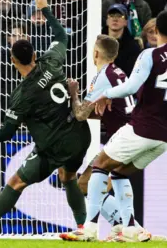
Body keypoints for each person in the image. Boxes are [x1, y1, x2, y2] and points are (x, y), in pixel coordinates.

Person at [0, 0, 90, 239]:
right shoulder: (52, 61)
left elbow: (5, 133)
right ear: (35, 54)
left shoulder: (22, 96)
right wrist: (45, 9)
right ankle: (84, 229)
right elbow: (62, 35)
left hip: (53, 145)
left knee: (15, 182)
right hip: (79, 135)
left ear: (13, 61)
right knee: (68, 177)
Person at [84, 10, 167, 242]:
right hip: (163, 138)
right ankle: (130, 227)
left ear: (157, 31)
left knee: (100, 165)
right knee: (119, 173)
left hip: (141, 126)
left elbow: (131, 86)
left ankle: (89, 227)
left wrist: (106, 94)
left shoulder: (149, 55)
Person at [60, 35, 140, 241]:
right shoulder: (118, 72)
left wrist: (73, 92)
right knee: (101, 182)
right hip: (132, 134)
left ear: (96, 53)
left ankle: (128, 227)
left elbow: (80, 114)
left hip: (123, 139)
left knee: (87, 181)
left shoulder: (103, 76)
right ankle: (124, 226)